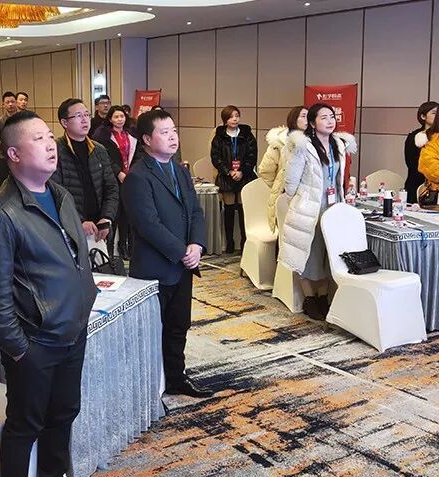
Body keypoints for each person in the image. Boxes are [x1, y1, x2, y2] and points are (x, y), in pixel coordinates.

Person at [0, 110, 100, 477]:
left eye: (50, 136)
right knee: (24, 424)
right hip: (35, 341)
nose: (50, 144)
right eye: (38, 138)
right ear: (13, 154)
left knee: (63, 411)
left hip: (72, 329)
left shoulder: (59, 194)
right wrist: (18, 347)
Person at [122, 109, 212, 398]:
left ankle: (176, 379)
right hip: (156, 268)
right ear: (147, 139)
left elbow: (195, 211)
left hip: (183, 266)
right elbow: (147, 224)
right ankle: (149, 387)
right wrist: (182, 251)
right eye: (164, 132)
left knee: (178, 326)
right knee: (152, 332)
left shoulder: (180, 170)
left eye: (174, 130)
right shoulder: (138, 176)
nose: (173, 137)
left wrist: (197, 245)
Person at [280, 103, 357, 321]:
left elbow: (339, 177)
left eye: (332, 116)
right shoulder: (303, 146)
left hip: (333, 207)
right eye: (324, 118)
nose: (330, 121)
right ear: (313, 123)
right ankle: (309, 299)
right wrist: (299, 200)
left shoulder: (338, 144)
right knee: (308, 254)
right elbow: (291, 181)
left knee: (327, 253)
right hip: (310, 207)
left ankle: (323, 297)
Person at [50, 98, 119, 253]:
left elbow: (112, 188)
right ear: (64, 122)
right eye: (78, 116)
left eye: (87, 115)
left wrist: (106, 218)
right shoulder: (55, 150)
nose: (85, 119)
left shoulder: (99, 149)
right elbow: (55, 192)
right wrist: (78, 221)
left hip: (99, 229)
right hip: (69, 229)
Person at [93, 105, 139, 259]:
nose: (120, 119)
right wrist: (118, 172)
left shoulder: (131, 133)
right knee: (115, 214)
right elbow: (105, 158)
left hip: (130, 177)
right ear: (110, 119)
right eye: (116, 117)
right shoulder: (103, 135)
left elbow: (138, 154)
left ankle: (124, 246)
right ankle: (109, 248)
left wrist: (131, 172)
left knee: (128, 214)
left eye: (122, 116)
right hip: (113, 178)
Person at [210, 105, 257, 253]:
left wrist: (242, 171)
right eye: (231, 116)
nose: (235, 119)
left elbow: (252, 156)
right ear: (225, 120)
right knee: (229, 210)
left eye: (237, 116)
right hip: (227, 177)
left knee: (244, 210)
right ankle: (229, 242)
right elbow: (216, 158)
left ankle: (244, 242)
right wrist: (228, 171)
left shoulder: (247, 135)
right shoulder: (219, 136)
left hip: (245, 176)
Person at [263, 105, 307, 231]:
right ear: (294, 119)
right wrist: (279, 185)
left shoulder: (312, 141)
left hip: (305, 197)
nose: (307, 120)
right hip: (285, 196)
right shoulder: (280, 142)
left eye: (309, 117)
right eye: (303, 116)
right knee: (284, 233)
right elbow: (265, 170)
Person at [403, 101, 438, 204]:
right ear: (423, 116)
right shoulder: (414, 136)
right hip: (417, 182)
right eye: (434, 113)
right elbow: (411, 163)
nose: (438, 116)